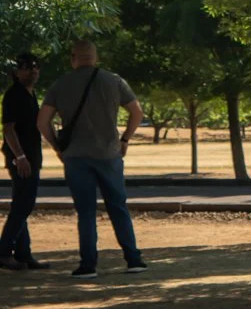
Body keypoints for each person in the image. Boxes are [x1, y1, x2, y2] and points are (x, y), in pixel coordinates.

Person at [36, 41, 147, 277]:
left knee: (86, 212)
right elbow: (137, 112)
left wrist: (58, 147)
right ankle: (133, 259)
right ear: (95, 57)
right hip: (109, 154)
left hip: (76, 156)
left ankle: (88, 264)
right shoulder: (114, 81)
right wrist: (125, 139)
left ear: (73, 57)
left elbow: (42, 122)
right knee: (118, 206)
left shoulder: (61, 84)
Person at [1, 53, 47, 271]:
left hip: (32, 157)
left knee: (22, 204)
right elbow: (8, 129)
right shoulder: (14, 95)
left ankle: (23, 254)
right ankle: (3, 252)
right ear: (16, 71)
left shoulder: (30, 94)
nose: (33, 71)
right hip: (22, 159)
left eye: (36, 66)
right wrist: (19, 156)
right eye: (27, 67)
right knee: (23, 205)